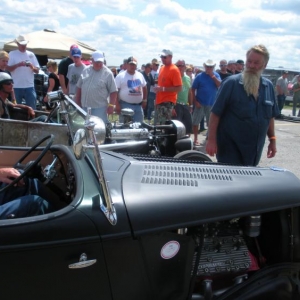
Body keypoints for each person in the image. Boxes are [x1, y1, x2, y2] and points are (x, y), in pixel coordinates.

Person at [206, 44, 279, 166]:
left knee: (248, 182)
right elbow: (215, 113)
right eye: (249, 61)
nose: (251, 66)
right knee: (232, 183)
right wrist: (211, 140)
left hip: (254, 151)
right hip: (230, 150)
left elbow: (270, 116)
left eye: (256, 63)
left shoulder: (268, 87)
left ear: (264, 65)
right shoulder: (231, 84)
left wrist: (272, 139)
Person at [75, 51, 117, 124]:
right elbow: (79, 87)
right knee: (85, 129)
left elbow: (113, 91)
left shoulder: (108, 73)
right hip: (85, 107)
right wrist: (78, 103)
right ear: (92, 60)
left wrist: (111, 105)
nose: (99, 64)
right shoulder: (85, 70)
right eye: (97, 62)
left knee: (99, 130)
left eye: (101, 62)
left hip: (100, 109)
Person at [191, 59, 221, 146]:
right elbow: (193, 89)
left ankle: (209, 139)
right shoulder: (199, 76)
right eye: (207, 66)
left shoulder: (216, 75)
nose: (209, 68)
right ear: (204, 67)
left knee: (211, 123)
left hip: (211, 104)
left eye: (211, 67)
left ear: (213, 67)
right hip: (200, 103)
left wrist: (213, 77)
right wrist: (195, 101)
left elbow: (220, 85)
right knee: (195, 122)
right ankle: (196, 139)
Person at [6, 35, 40, 109]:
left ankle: (32, 120)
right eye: (22, 44)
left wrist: (31, 66)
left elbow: (37, 70)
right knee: (15, 109)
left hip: (29, 86)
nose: (23, 46)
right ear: (17, 44)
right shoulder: (12, 54)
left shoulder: (31, 54)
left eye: (25, 44)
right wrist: (18, 65)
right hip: (16, 86)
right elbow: (8, 68)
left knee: (32, 109)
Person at [115, 56, 147, 123]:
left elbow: (144, 87)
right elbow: (115, 91)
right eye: (131, 64)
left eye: (134, 65)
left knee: (139, 127)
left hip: (138, 106)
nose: (132, 66)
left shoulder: (140, 75)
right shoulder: (120, 76)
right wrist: (117, 104)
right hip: (125, 105)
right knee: (125, 127)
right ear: (127, 64)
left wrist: (144, 100)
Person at [154, 49, 182, 124]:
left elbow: (179, 88)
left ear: (170, 57)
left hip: (167, 103)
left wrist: (163, 89)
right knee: (158, 126)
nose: (162, 59)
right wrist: (156, 101)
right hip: (160, 102)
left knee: (164, 126)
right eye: (161, 57)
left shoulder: (174, 70)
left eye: (164, 57)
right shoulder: (162, 68)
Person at [174, 59, 193, 135]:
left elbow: (189, 92)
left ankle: (187, 143)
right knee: (177, 127)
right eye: (178, 65)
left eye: (182, 65)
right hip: (176, 104)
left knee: (188, 125)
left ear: (185, 67)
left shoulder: (188, 78)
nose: (180, 67)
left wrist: (191, 105)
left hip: (185, 104)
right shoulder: (174, 77)